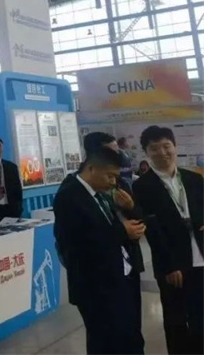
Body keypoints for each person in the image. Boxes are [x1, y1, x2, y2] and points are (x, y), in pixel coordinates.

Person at [54, 146, 145, 354]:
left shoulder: (101, 194)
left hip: (119, 277)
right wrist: (122, 231)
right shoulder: (69, 196)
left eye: (116, 177)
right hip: (95, 286)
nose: (113, 182)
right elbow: (74, 243)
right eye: (109, 176)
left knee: (128, 336)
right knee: (105, 342)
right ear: (92, 168)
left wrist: (129, 214)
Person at [132, 126, 203, 355]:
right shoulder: (142, 186)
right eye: (154, 148)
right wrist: (169, 265)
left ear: (175, 146)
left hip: (201, 257)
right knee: (176, 319)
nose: (162, 152)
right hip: (173, 264)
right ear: (146, 152)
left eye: (166, 146)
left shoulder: (194, 179)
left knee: (201, 316)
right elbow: (152, 231)